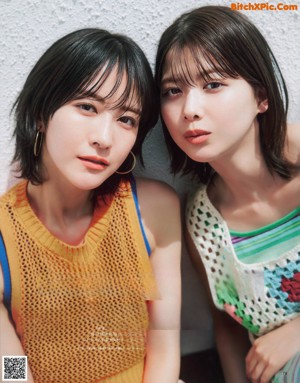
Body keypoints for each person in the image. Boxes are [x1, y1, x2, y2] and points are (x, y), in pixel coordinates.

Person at [0, 28, 181, 383]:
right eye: (87, 107)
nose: (104, 138)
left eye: (126, 119)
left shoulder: (155, 209)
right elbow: (11, 369)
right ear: (41, 114)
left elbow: (164, 338)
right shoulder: (5, 233)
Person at [155, 5, 300, 383]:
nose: (189, 109)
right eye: (173, 90)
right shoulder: (200, 221)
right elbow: (228, 329)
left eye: (213, 84)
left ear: (261, 96)